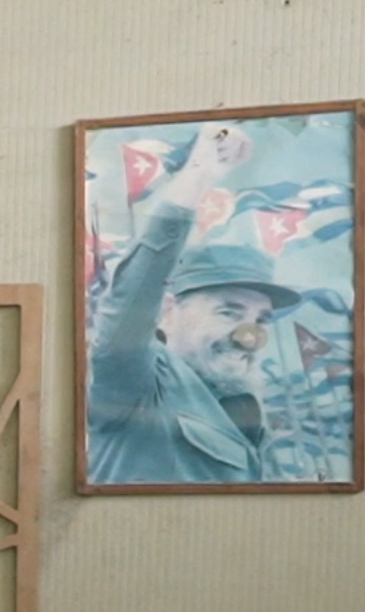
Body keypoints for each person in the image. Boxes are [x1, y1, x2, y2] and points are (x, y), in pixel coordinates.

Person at [86, 123, 300, 485]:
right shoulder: (135, 383)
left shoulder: (243, 412)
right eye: (228, 311)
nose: (249, 336)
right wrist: (200, 173)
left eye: (261, 319)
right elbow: (136, 290)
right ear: (168, 312)